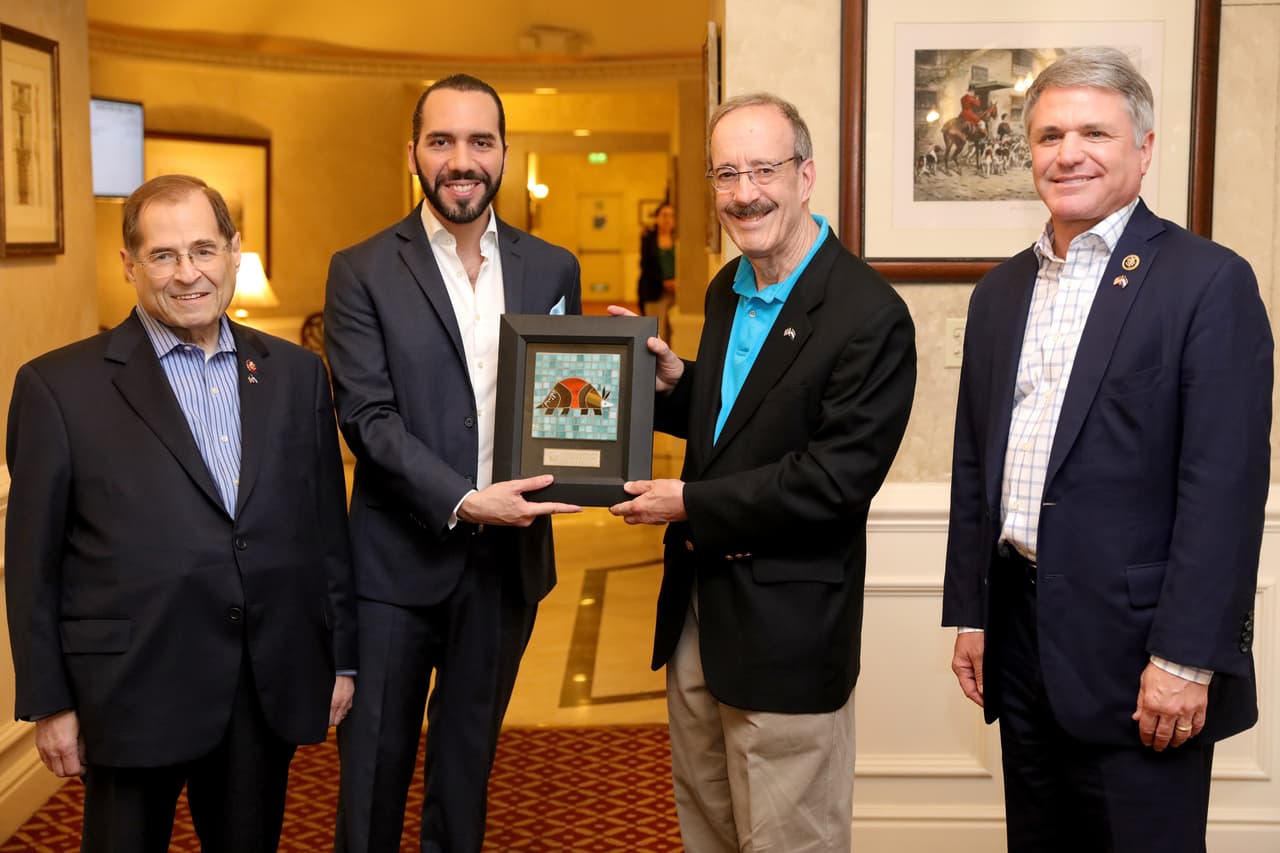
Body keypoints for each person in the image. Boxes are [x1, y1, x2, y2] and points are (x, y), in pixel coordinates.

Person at [942, 47, 1271, 853]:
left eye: (1095, 131)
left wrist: (1188, 658)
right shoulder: (999, 292)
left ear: (1144, 148)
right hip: (1018, 639)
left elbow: (1222, 490)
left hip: (1142, 658)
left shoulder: (1207, 282)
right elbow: (976, 464)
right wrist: (973, 613)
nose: (1069, 153)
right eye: (1051, 134)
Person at [4, 173, 357, 853]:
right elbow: (31, 564)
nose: (188, 273)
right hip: (130, 692)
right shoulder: (57, 388)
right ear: (129, 265)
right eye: (164, 255)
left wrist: (339, 659)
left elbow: (323, 530)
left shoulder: (295, 374)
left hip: (262, 687)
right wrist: (50, 702)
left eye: (204, 249)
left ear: (232, 251)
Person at [609, 92, 916, 852]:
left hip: (787, 637)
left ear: (806, 175)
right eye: (725, 174)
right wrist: (677, 384)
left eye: (763, 170)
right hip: (697, 622)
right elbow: (737, 427)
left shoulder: (869, 315)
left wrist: (688, 502)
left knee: (789, 841)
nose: (744, 193)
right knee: (709, 830)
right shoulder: (725, 288)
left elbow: (831, 481)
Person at [324, 73, 583, 853]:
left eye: (480, 141)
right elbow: (368, 419)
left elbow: (565, 402)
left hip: (505, 571)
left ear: (505, 152)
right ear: (414, 154)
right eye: (442, 141)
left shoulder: (552, 268)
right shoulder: (362, 269)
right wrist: (467, 499)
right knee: (372, 778)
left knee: (465, 776)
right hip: (394, 569)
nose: (461, 159)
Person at [638, 202, 677, 339]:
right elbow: (646, 265)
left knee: (672, 331)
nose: (668, 219)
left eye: (671, 216)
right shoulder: (648, 239)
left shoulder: (678, 239)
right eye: (664, 215)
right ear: (657, 218)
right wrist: (664, 283)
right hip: (655, 291)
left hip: (676, 292)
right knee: (657, 332)